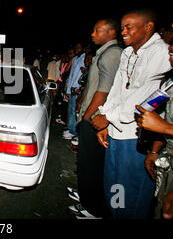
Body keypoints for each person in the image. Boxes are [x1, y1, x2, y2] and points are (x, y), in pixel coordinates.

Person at [91, 9, 172, 219]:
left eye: (129, 27)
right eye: (123, 27)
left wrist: (108, 118)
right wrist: (107, 120)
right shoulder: (127, 52)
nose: (124, 31)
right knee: (114, 185)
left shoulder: (161, 52)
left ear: (148, 27)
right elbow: (118, 89)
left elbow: (146, 97)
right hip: (117, 131)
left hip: (136, 136)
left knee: (133, 192)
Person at [134, 0, 173, 218]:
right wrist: (155, 151)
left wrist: (163, 127)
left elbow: (169, 124)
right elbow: (172, 113)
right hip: (172, 164)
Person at [67, 19, 122, 219]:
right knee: (86, 163)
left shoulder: (112, 53)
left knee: (93, 165)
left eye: (97, 30)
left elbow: (104, 91)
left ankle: (93, 208)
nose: (92, 34)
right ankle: (85, 196)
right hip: (92, 115)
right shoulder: (104, 53)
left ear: (111, 32)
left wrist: (87, 117)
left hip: (96, 119)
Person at [63, 42, 85, 140]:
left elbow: (81, 75)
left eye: (79, 48)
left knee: (75, 111)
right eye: (76, 48)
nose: (77, 49)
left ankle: (75, 132)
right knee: (71, 110)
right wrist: (69, 87)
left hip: (77, 89)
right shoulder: (75, 59)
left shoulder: (84, 58)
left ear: (83, 48)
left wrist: (76, 87)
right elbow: (71, 74)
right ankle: (71, 129)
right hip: (71, 88)